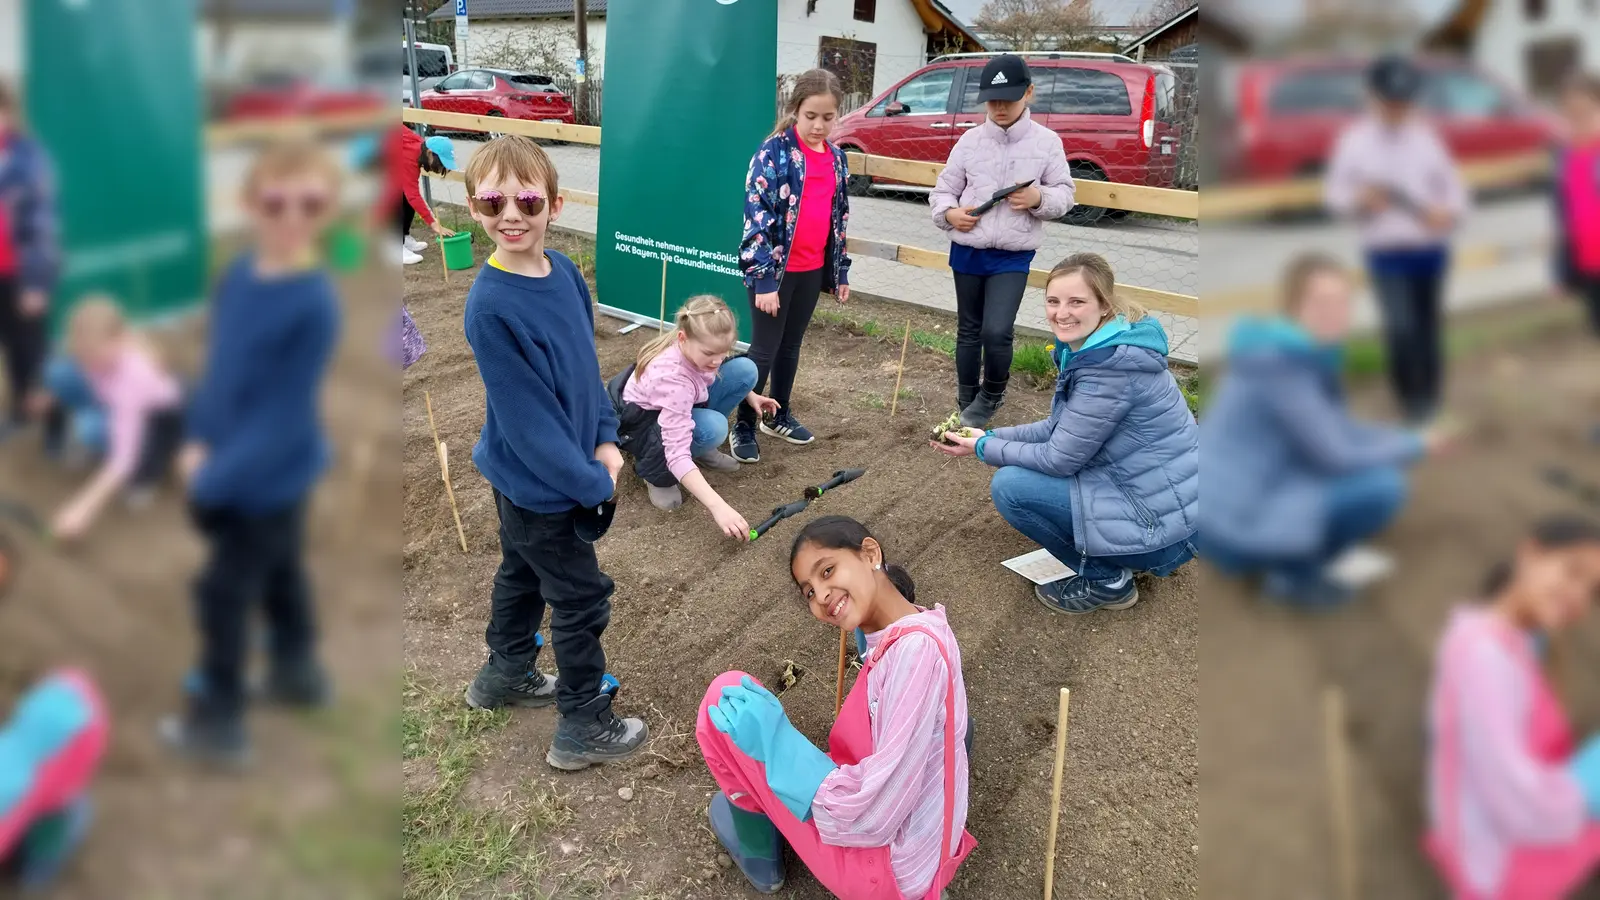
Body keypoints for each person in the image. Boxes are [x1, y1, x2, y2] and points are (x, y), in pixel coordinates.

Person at [458, 134, 647, 771]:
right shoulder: (489, 307)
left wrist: (604, 434)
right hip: (540, 484)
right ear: (473, 210)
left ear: (555, 206)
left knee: (520, 572)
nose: (510, 214)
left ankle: (505, 674)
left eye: (527, 200)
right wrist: (592, 482)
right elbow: (529, 420)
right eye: (492, 203)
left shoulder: (565, 273)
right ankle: (583, 721)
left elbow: (583, 367)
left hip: (555, 470)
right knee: (578, 597)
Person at [164, 138, 343, 766]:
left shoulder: (313, 302)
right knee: (282, 573)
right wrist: (195, 439)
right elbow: (220, 373)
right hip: (224, 458)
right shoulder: (237, 278)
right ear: (250, 204)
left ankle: (219, 726)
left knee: (223, 594)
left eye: (309, 203)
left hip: (270, 474)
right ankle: (298, 675)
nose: (291, 217)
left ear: (326, 211)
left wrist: (210, 480)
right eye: (275, 203)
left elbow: (281, 412)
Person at [698, 516, 976, 898]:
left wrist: (777, 744)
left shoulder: (914, 654)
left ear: (870, 553)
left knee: (725, 694)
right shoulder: (925, 627)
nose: (822, 595)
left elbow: (874, 814)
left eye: (827, 571)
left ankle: (758, 850)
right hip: (927, 845)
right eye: (809, 591)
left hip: (886, 869)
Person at [934, 253, 1199, 614]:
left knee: (1011, 487)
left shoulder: (1110, 371)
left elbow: (1057, 458)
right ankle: (1119, 557)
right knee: (1026, 474)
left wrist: (984, 448)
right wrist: (989, 434)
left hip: (1160, 531)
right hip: (1168, 512)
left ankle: (1107, 580)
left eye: (1077, 302)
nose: (1062, 313)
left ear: (1104, 305)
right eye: (1053, 301)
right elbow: (1059, 430)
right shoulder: (1107, 349)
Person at [1199, 253, 1453, 607]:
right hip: (1232, 527)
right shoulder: (1281, 367)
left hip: (1226, 507)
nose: (1334, 312)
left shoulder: (1284, 352)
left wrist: (1402, 439)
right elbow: (1336, 454)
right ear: (1293, 306)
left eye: (1342, 302)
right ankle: (1292, 574)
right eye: (1321, 302)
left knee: (1362, 468)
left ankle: (1300, 550)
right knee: (1382, 486)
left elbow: (1335, 429)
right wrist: (1413, 445)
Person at [1424, 515, 1600, 900]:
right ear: (1529, 554)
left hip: (1483, 820)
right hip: (1498, 859)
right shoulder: (1485, 657)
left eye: (1592, 591)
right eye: (1573, 571)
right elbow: (1520, 805)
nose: (1579, 597)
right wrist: (1591, 778)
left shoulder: (1493, 632)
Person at [929, 53, 1076, 428]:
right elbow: (943, 190)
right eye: (992, 101)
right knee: (969, 329)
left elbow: (1065, 193)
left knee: (996, 330)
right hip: (968, 250)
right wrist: (949, 215)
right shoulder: (969, 141)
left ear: (1029, 93)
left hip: (1013, 255)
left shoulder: (1046, 143)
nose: (998, 108)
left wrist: (1038, 199)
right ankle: (967, 393)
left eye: (1008, 99)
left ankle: (992, 392)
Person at [1324, 54, 1468, 425]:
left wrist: (1446, 211)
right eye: (1390, 100)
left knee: (1428, 328)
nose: (1397, 108)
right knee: (1401, 329)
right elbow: (1335, 196)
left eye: (1404, 101)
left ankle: (1431, 396)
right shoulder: (1355, 142)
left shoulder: (1426, 139)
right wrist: (1360, 200)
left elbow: (1454, 190)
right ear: (1373, 97)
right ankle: (1411, 399)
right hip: (1387, 254)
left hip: (1429, 250)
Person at [733, 68, 852, 464]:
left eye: (828, 117)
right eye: (811, 116)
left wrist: (840, 272)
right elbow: (757, 220)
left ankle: (778, 412)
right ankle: (745, 423)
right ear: (795, 111)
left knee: (791, 345)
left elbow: (839, 217)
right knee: (764, 350)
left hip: (811, 269)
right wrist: (764, 280)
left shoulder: (836, 159)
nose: (819, 126)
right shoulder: (773, 153)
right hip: (773, 275)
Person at [607, 295, 777, 536]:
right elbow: (675, 450)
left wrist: (751, 395)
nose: (718, 361)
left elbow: (711, 368)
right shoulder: (672, 379)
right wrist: (719, 507)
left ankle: (702, 447)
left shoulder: (698, 348)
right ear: (682, 339)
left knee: (745, 370)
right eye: (710, 353)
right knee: (714, 428)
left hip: (677, 406)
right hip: (640, 427)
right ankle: (658, 475)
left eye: (723, 351)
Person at [29, 297, 185, 542]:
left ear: (118, 341)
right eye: (83, 357)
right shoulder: (92, 357)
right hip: (113, 400)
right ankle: (107, 445)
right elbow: (80, 366)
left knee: (92, 431)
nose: (88, 365)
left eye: (94, 358)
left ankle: (150, 473)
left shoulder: (133, 379)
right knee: (57, 372)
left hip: (160, 421)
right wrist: (50, 395)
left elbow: (123, 458)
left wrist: (82, 508)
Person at [0, 669, 108, 890]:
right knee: (76, 811)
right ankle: (34, 876)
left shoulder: (9, 745)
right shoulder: (40, 784)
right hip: (22, 837)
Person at [0, 80, 60, 441]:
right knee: (10, 345)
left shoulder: (29, 158)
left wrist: (36, 283)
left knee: (33, 350)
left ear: (8, 112)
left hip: (21, 273)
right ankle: (22, 409)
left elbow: (43, 224)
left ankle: (54, 422)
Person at [1554, 71, 1600, 337]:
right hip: (1587, 260)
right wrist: (1561, 268)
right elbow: (1562, 215)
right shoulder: (1564, 158)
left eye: (1586, 112)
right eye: (1572, 115)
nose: (1579, 121)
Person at [378, 123, 458, 265]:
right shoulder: (409, 158)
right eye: (439, 163)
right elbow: (413, 195)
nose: (439, 168)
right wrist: (434, 224)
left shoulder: (419, 145)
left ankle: (404, 236)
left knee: (405, 196)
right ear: (429, 153)